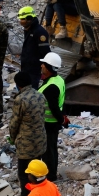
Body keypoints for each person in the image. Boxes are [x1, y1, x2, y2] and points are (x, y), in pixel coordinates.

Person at [8, 71, 47, 196]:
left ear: (18, 85)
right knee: (38, 174)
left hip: (26, 145)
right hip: (40, 142)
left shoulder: (20, 99)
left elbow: (14, 123)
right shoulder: (40, 95)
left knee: (25, 176)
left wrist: (12, 138)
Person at [38, 52, 66, 182]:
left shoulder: (51, 87)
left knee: (48, 151)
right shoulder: (58, 79)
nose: (41, 66)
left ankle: (50, 177)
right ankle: (51, 174)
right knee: (52, 149)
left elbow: (54, 108)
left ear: (49, 67)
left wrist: (62, 119)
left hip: (48, 123)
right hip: (51, 122)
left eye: (44, 64)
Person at [18, 6, 51, 89]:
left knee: (32, 91)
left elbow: (46, 52)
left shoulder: (39, 32)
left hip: (33, 69)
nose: (20, 22)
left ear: (29, 19)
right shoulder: (28, 29)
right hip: (26, 67)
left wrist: (46, 69)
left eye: (22, 19)